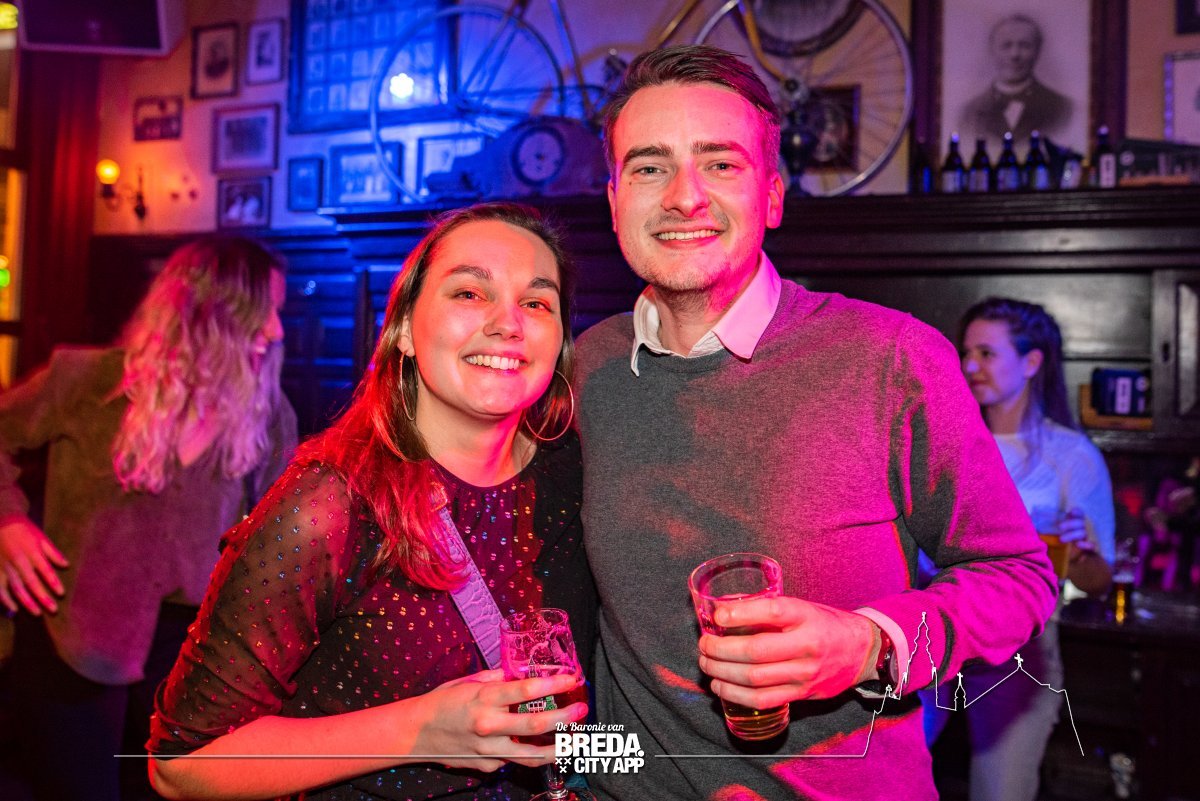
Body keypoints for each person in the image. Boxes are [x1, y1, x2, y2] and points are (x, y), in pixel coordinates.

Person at [574, 44, 1058, 800]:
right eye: (648, 167)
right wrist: (580, 772)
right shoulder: (583, 370)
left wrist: (870, 645)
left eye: (720, 164)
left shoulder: (890, 357)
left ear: (772, 196)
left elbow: (1020, 579)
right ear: (613, 202)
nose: (683, 196)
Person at [148, 202, 595, 800]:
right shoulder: (329, 506)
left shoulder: (573, 475)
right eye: (469, 293)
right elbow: (180, 765)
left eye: (536, 303)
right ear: (404, 329)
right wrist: (419, 730)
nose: (507, 323)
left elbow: (585, 729)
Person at [0, 235, 298, 801]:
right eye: (264, 312)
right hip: (73, 628)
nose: (276, 331)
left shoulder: (267, 413)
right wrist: (8, 524)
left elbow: (277, 534)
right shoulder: (87, 379)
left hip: (191, 649)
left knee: (172, 790)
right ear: (209, 312)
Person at [923, 297, 1114, 801]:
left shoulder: (1071, 456)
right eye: (966, 353)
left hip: (1020, 649)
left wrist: (1084, 555)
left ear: (1031, 362)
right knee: (888, 777)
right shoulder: (946, 441)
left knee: (999, 790)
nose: (970, 367)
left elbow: (1097, 582)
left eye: (987, 353)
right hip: (932, 625)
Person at [959, 14, 1072, 144]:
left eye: (1025, 46)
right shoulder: (970, 113)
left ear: (1038, 51)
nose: (1015, 55)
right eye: (1006, 46)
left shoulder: (1061, 108)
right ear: (992, 50)